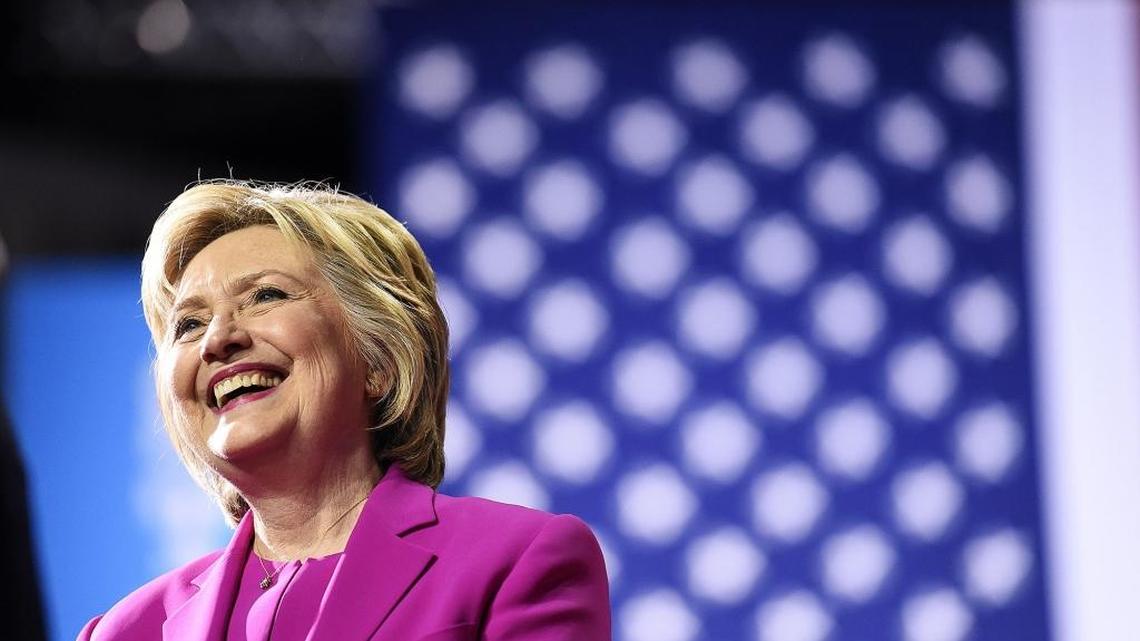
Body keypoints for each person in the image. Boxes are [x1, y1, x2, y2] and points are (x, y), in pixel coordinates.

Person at [78, 181, 611, 640]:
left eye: (265, 295)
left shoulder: (514, 563)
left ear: (379, 358)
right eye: (188, 324)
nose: (218, 339)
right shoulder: (125, 629)